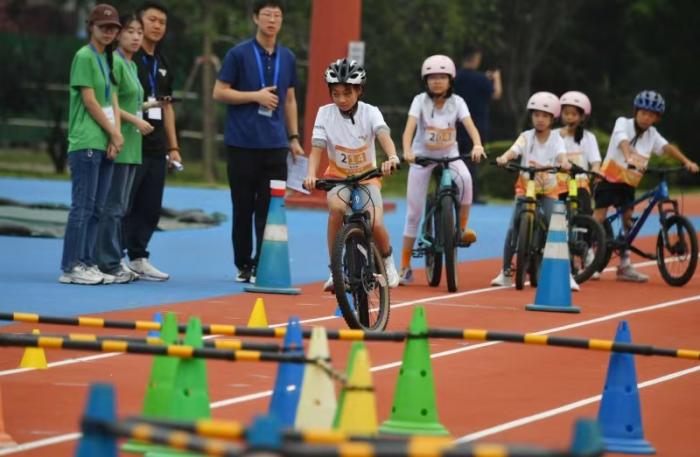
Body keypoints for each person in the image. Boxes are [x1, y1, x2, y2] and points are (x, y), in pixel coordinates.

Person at [213, 0, 304, 283]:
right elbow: (219, 92)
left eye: (277, 15)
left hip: (275, 145)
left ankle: (262, 263)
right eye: (267, 14)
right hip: (242, 143)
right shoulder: (238, 54)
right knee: (243, 207)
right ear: (255, 18)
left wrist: (293, 137)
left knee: (270, 208)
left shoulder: (288, 57)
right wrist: (256, 96)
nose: (272, 20)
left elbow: (289, 99)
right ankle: (243, 264)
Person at [303, 58, 401, 292]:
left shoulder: (371, 112)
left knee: (375, 222)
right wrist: (310, 175)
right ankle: (335, 270)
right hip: (338, 177)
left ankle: (388, 262)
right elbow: (316, 148)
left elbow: (383, 135)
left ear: (359, 91)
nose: (341, 99)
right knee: (336, 210)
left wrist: (392, 157)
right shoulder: (324, 113)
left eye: (347, 93)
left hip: (367, 176)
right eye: (335, 94)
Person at [593, 90, 699, 282]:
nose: (646, 118)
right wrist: (628, 156)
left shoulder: (652, 134)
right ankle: (588, 256)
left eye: (651, 115)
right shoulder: (622, 123)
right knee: (599, 217)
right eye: (643, 113)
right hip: (609, 179)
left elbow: (667, 148)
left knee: (628, 221)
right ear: (636, 111)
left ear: (657, 118)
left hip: (629, 183)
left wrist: (686, 162)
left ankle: (624, 265)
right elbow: (622, 141)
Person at [398, 55, 486, 285]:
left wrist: (477, 145)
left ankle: (462, 229)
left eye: (442, 77)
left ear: (450, 80)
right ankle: (405, 266)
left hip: (449, 155)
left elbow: (470, 126)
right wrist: (407, 151)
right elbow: (409, 129)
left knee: (466, 179)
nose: (437, 81)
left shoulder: (458, 102)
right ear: (425, 81)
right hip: (422, 157)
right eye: (432, 77)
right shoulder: (419, 101)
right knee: (414, 213)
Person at [60, 3, 123, 285]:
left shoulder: (107, 59)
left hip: (104, 139)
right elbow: (90, 101)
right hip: (86, 139)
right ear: (91, 27)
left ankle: (86, 261)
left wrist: (114, 135)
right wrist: (114, 132)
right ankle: (71, 266)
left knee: (98, 208)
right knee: (83, 207)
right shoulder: (84, 56)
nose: (109, 32)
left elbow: (111, 100)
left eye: (113, 28)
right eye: (103, 27)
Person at [491, 92, 572, 288]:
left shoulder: (556, 139)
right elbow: (515, 150)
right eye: (536, 115)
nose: (540, 119)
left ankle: (566, 274)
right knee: (513, 227)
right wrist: (504, 158)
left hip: (548, 190)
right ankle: (506, 272)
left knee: (558, 227)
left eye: (545, 116)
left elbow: (561, 155)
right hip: (525, 189)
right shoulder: (526, 136)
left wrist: (564, 162)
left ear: (552, 119)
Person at [123, 1, 179, 281]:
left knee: (150, 206)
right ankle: (112, 257)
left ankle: (138, 257)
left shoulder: (163, 62)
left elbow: (167, 107)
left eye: (162, 22)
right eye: (152, 20)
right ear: (139, 23)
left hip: (157, 147)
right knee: (124, 204)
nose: (157, 26)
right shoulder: (128, 60)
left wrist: (174, 147)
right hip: (131, 143)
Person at [96, 12, 154, 284]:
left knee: (122, 207)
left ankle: (114, 257)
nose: (136, 37)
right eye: (130, 32)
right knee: (113, 206)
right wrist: (135, 121)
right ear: (119, 35)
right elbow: (111, 104)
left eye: (139, 33)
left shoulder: (131, 65)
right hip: (120, 142)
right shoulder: (115, 63)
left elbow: (130, 103)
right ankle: (107, 262)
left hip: (133, 145)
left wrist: (149, 106)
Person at [453, 46, 502, 204]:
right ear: (476, 60)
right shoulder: (481, 79)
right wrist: (496, 78)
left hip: (455, 125)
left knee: (453, 159)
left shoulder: (454, 77)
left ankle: (453, 191)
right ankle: (471, 194)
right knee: (472, 161)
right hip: (477, 126)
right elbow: (496, 94)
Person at [555, 91, 601, 215]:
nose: (569, 117)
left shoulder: (589, 137)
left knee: (585, 215)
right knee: (557, 219)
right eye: (566, 113)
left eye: (574, 114)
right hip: (557, 186)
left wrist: (596, 170)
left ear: (582, 117)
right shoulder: (554, 135)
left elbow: (595, 161)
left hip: (580, 185)